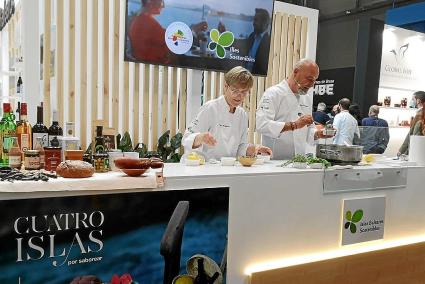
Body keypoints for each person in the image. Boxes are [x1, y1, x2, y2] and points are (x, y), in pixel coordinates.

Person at [182, 66, 272, 161]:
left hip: (226, 167)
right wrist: (201, 137)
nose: (239, 96)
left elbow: (240, 147)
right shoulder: (210, 108)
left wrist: (254, 149)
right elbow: (187, 138)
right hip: (202, 166)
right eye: (235, 90)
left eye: (244, 92)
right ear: (226, 86)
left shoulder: (242, 115)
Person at [256, 59, 330, 160]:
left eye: (314, 80)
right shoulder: (273, 94)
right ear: (296, 72)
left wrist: (318, 134)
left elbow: (309, 129)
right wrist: (293, 125)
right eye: (309, 79)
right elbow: (262, 125)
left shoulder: (306, 98)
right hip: (274, 161)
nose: (312, 84)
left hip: (299, 161)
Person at [128, 0, 207, 64]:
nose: (163, 6)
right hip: (158, 67)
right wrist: (194, 30)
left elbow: (167, 36)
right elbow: (172, 39)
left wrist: (192, 30)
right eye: (161, 1)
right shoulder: (146, 22)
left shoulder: (141, 19)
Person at [243, 9, 271, 75]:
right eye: (253, 20)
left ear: (264, 23)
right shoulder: (252, 36)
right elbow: (241, 44)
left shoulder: (268, 42)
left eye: (256, 20)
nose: (253, 23)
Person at [398, 91, 425, 155]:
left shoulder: (420, 114)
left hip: (417, 150)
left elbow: (411, 134)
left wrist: (402, 151)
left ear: (418, 101)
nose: (411, 101)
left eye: (413, 99)